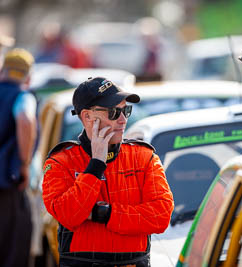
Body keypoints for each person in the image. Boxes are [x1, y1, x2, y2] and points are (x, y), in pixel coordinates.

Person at [42, 77, 174, 266]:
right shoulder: (61, 161)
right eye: (114, 112)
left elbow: (161, 216)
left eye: (126, 110)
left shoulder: (144, 157)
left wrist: (103, 213)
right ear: (87, 117)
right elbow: (69, 215)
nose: (123, 120)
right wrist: (96, 164)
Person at [0, 48, 36, 266]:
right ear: (28, 77)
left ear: (3, 71)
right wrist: (24, 164)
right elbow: (25, 119)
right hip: (8, 186)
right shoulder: (23, 96)